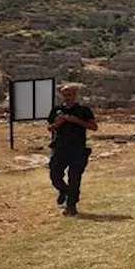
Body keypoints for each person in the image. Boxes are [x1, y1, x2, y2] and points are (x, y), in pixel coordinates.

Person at [47, 84, 97, 217]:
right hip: (60, 148)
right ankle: (65, 191)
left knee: (74, 177)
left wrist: (76, 121)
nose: (67, 98)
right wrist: (58, 123)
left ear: (75, 95)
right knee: (55, 175)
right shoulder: (57, 110)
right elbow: (50, 128)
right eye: (64, 95)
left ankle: (71, 206)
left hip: (78, 149)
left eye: (70, 95)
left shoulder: (84, 110)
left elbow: (93, 127)